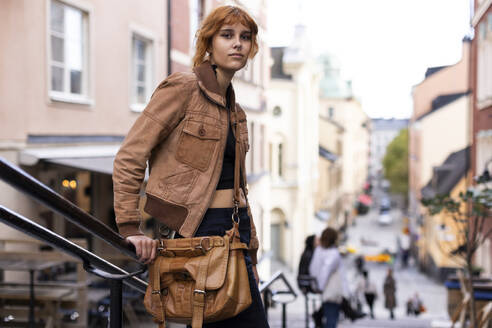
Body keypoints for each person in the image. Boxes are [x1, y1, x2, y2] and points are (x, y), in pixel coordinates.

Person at [112, 5, 269, 327]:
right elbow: (130, 155)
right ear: (209, 44)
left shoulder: (237, 113)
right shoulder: (183, 89)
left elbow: (238, 189)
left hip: (234, 235)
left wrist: (251, 251)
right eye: (227, 35)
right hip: (196, 234)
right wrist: (130, 227)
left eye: (245, 37)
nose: (237, 43)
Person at [309, 227, 348, 328]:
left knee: (328, 317)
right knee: (331, 319)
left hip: (324, 289)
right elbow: (325, 271)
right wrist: (320, 287)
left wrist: (316, 286)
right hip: (332, 291)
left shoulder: (318, 251)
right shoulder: (333, 253)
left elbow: (313, 269)